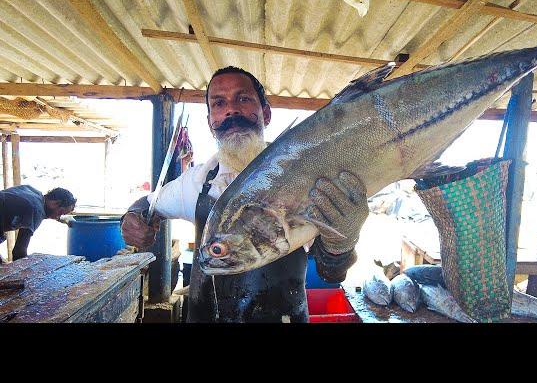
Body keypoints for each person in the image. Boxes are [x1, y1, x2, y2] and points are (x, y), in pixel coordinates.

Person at [120, 66, 369, 323]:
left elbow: (331, 274)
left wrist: (343, 242)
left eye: (243, 98)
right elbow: (148, 205)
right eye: (219, 103)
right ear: (210, 122)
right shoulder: (197, 181)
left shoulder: (304, 175)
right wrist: (134, 217)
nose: (231, 110)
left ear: (266, 113)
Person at [0, 186, 76, 261]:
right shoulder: (35, 209)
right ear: (55, 203)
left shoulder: (31, 190)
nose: (58, 216)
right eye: (61, 212)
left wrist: (61, 218)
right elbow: (19, 251)